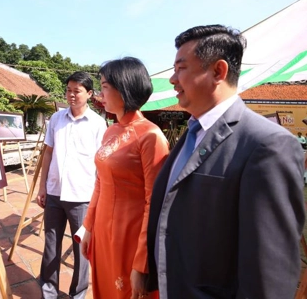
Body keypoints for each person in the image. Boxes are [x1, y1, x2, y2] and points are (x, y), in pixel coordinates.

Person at [147, 25, 305, 299]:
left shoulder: (268, 144)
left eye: (181, 68)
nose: (172, 78)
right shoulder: (191, 135)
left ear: (218, 72)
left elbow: (270, 269)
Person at [79, 58, 169, 299]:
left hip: (130, 237)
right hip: (102, 231)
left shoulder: (151, 136)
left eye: (105, 86)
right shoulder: (110, 131)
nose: (100, 93)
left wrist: (143, 262)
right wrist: (88, 227)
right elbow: (100, 182)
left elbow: (156, 203)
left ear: (124, 87)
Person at [36, 71, 107, 299]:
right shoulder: (56, 119)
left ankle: (78, 294)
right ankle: (48, 291)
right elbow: (48, 153)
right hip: (55, 193)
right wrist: (42, 186)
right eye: (68, 90)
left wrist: (99, 197)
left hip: (82, 197)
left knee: (82, 250)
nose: (71, 95)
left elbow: (101, 163)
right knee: (50, 247)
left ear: (89, 93)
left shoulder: (98, 124)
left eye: (77, 91)